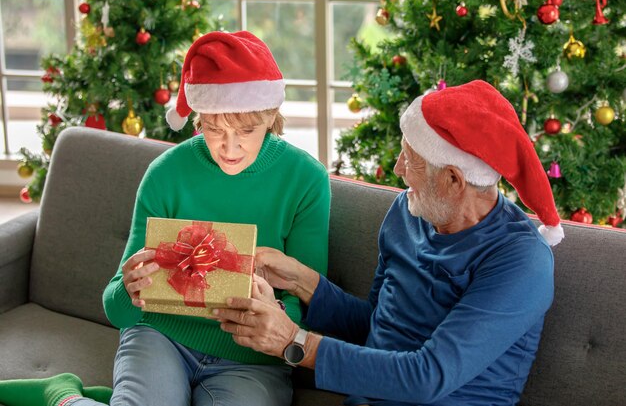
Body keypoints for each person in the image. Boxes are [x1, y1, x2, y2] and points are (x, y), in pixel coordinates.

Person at [0, 31, 330, 406]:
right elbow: (115, 307)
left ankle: (65, 400)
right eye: (214, 129)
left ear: (272, 116)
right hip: (158, 337)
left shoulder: (306, 181)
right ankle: (62, 395)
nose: (230, 147)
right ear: (198, 119)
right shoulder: (165, 174)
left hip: (252, 359)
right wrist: (130, 288)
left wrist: (276, 311)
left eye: (246, 131)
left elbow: (310, 308)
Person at [213, 80, 564, 406]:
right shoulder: (408, 212)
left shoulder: (520, 260)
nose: (397, 168)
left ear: (454, 180)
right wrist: (299, 281)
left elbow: (428, 376)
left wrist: (295, 342)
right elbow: (377, 324)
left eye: (410, 160)